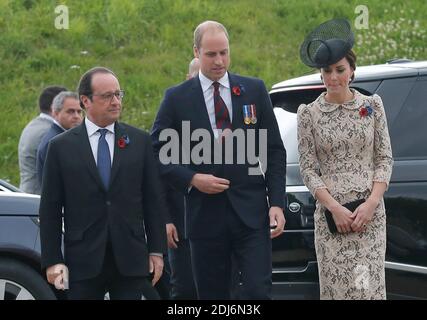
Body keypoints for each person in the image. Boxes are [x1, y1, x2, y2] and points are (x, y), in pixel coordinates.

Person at [151, 21, 286, 300]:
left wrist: (276, 203)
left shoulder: (254, 90)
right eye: (211, 54)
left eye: (224, 53)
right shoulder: (177, 98)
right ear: (196, 52)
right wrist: (191, 179)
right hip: (204, 218)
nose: (219, 61)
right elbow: (156, 152)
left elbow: (274, 150)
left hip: (250, 215)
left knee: (256, 292)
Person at [39, 67, 167, 300]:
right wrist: (53, 260)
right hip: (83, 260)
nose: (116, 101)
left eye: (118, 94)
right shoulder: (60, 147)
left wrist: (157, 250)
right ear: (85, 100)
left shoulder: (139, 141)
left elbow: (152, 200)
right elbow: (50, 208)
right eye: (107, 96)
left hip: (130, 257)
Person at [297, 19, 393, 299]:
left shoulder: (372, 106)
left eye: (340, 70)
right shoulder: (309, 114)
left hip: (369, 219)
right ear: (321, 74)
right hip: (332, 220)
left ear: (352, 70)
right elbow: (308, 169)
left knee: (364, 290)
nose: (334, 77)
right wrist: (334, 208)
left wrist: (371, 204)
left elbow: (384, 159)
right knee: (338, 291)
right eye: (327, 71)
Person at [18, 86, 67, 194]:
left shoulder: (32, 125)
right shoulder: (50, 132)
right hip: (39, 197)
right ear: (54, 107)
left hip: (25, 191)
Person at [36, 91, 83, 186]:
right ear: (55, 113)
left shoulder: (66, 138)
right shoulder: (54, 142)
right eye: (70, 111)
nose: (76, 116)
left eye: (79, 112)